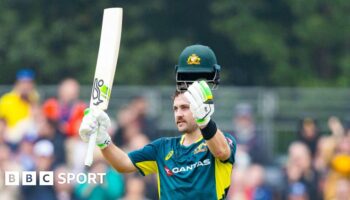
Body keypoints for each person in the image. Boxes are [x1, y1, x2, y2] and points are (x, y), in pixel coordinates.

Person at [79, 42, 236, 200]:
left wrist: (204, 121)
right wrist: (103, 140)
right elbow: (124, 163)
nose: (179, 114)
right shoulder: (162, 148)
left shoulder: (224, 140)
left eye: (185, 107)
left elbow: (221, 152)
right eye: (176, 108)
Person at [0, 69, 39, 147]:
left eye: (29, 83)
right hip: (11, 138)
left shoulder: (33, 100)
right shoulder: (7, 100)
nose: (26, 86)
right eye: (23, 82)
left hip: (29, 138)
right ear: (17, 84)